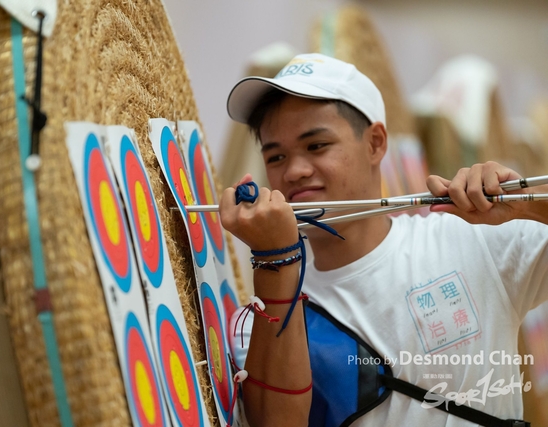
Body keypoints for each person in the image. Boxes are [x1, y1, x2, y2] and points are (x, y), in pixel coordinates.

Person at [218, 53, 548, 427]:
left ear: (375, 143)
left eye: (316, 146)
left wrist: (527, 204)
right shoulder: (258, 319)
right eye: (276, 156)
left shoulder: (472, 240)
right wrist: (275, 260)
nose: (294, 171)